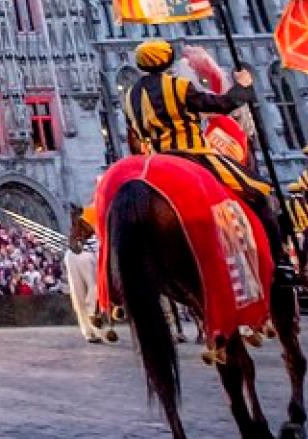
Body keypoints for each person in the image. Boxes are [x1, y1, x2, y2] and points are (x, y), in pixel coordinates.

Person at [121, 38, 294, 284]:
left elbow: (135, 135)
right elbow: (223, 105)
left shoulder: (130, 96)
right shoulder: (178, 86)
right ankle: (281, 262)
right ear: (168, 61)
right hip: (194, 156)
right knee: (261, 193)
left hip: (156, 161)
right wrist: (242, 86)